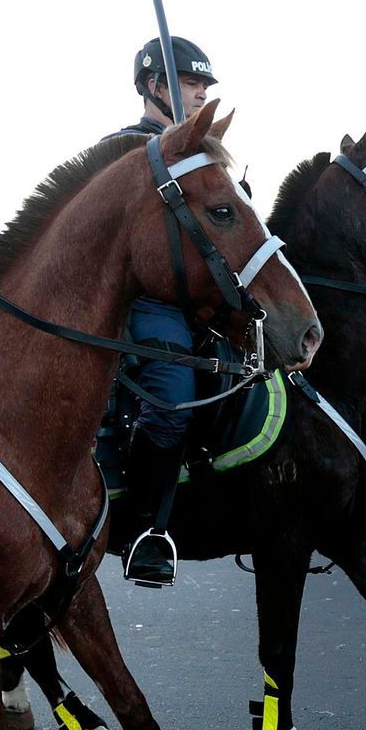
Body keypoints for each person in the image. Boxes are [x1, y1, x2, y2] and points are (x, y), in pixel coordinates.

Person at [109, 34, 216, 584]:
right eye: (190, 83)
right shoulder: (122, 148)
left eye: (202, 85)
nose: (199, 94)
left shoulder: (205, 152)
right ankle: (145, 529)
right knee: (173, 398)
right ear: (155, 86)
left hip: (211, 301)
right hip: (148, 303)